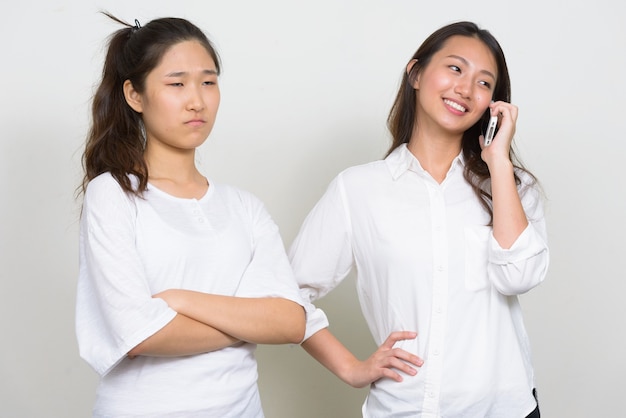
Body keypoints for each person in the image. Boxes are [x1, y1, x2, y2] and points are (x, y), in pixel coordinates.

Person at [289, 21, 548, 417]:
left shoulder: (512, 187)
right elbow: (289, 295)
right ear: (415, 74)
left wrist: (497, 162)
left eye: (484, 83)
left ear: (494, 104)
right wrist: (352, 368)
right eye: (456, 69)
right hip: (405, 409)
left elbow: (520, 276)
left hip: (504, 409)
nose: (465, 89)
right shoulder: (358, 189)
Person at [75, 13, 305, 417]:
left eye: (209, 82)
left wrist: (181, 300)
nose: (196, 100)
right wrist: (247, 325)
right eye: (177, 83)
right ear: (135, 95)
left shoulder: (244, 207)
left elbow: (289, 321)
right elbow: (139, 334)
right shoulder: (112, 194)